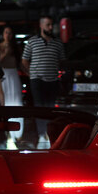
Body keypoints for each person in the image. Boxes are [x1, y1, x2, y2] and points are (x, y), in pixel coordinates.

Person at [21, 16, 65, 147]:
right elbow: (24, 60)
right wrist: (31, 73)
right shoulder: (32, 42)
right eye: (48, 25)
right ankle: (41, 135)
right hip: (37, 80)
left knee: (50, 107)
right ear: (41, 26)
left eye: (51, 25)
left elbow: (62, 60)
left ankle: (50, 134)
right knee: (40, 107)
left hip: (52, 79)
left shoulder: (57, 43)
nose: (50, 27)